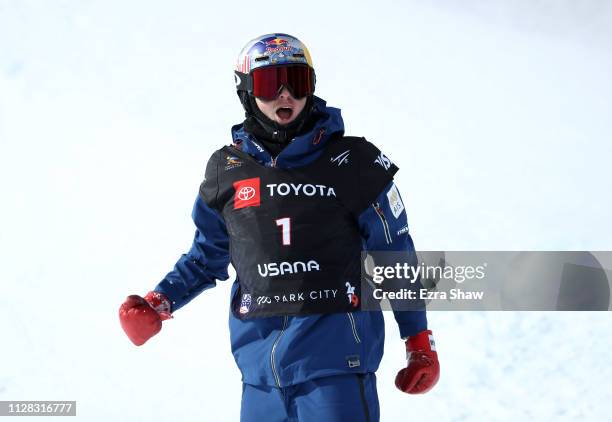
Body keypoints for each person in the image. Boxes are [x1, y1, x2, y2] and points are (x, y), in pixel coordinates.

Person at [119, 33, 440, 422]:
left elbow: (395, 254)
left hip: (335, 369)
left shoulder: (353, 163)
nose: (285, 95)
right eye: (271, 84)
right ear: (247, 91)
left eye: (297, 82)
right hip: (259, 377)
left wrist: (418, 339)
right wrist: (159, 301)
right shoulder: (227, 171)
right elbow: (206, 257)